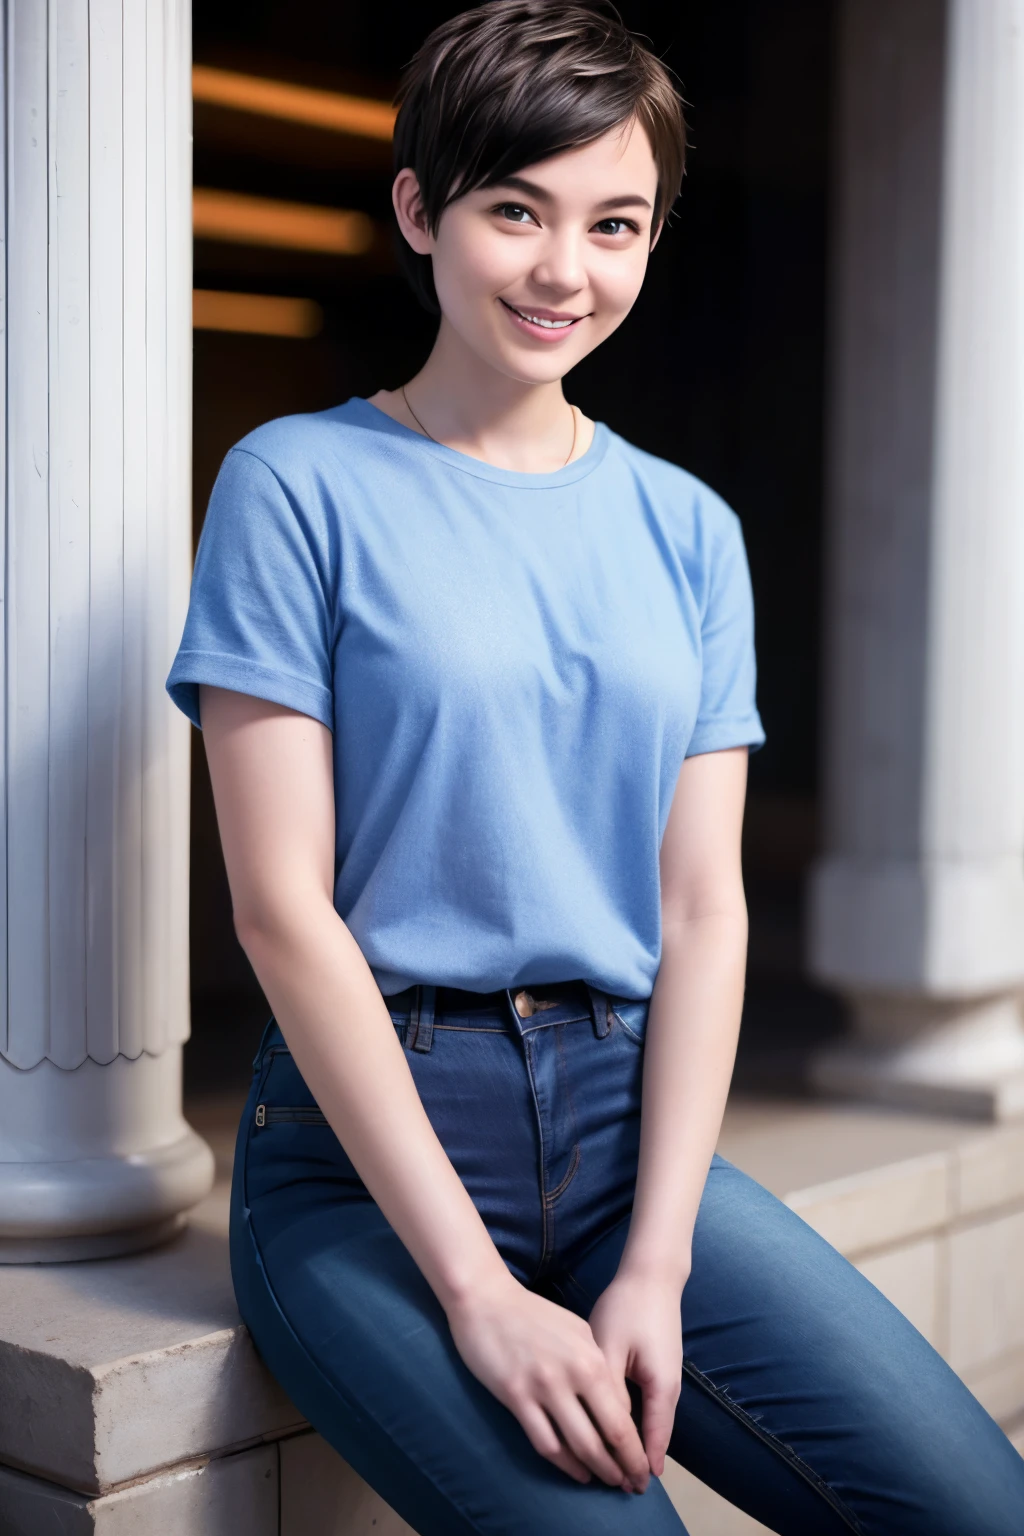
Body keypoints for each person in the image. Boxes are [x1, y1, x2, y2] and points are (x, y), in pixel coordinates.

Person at [167, 3, 1024, 1531]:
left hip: (627, 1127)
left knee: (977, 1507)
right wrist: (480, 1293)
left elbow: (704, 913)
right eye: (517, 209)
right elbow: (281, 910)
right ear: (420, 209)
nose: (567, 269)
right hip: (370, 1167)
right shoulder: (293, 484)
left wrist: (658, 1264)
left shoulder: (691, 528)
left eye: (613, 223)